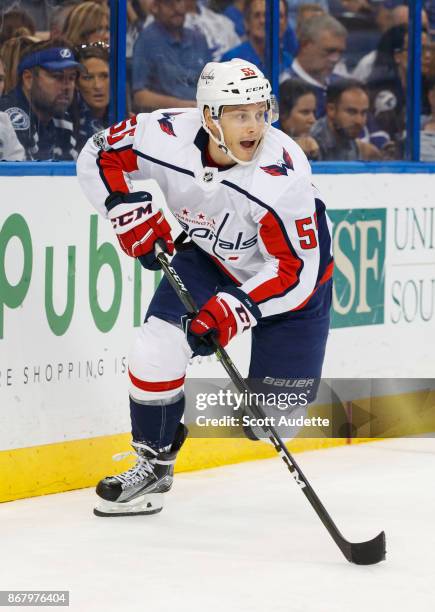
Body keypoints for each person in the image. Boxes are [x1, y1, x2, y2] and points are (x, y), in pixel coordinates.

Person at [77, 58, 333, 517]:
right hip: (210, 259)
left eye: (261, 112)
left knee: (271, 422)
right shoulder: (164, 135)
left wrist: (235, 310)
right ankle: (154, 463)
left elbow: (296, 269)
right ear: (209, 116)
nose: (254, 126)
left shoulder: (282, 174)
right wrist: (121, 206)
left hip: (288, 287)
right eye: (240, 115)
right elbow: (99, 154)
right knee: (155, 347)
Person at [0, 39, 81, 161]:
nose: (67, 86)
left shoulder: (62, 118)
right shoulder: (13, 116)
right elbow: (24, 176)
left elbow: (74, 171)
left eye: (71, 77)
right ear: (28, 79)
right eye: (57, 76)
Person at [132, 0, 212, 112]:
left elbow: (213, 83)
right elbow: (140, 97)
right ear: (155, 7)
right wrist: (181, 105)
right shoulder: (147, 41)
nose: (177, 8)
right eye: (169, 3)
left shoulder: (198, 38)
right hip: (168, 119)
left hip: (204, 113)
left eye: (180, 2)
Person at [280, 14, 348, 118]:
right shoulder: (284, 86)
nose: (335, 59)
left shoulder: (343, 85)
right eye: (330, 51)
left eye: (340, 53)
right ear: (305, 45)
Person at [311, 78, 381, 160]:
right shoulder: (311, 146)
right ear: (331, 110)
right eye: (351, 112)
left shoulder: (352, 141)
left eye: (363, 113)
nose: (359, 121)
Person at [221, 0, 293, 79]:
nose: (263, 20)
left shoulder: (288, 62)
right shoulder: (231, 61)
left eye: (270, 15)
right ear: (246, 23)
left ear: (286, 23)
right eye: (257, 15)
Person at [74, 43, 109, 150]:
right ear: (76, 83)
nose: (97, 86)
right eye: (88, 78)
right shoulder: (67, 127)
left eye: (104, 76)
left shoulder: (128, 121)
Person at [279, 78, 320, 160]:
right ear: (283, 113)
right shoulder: (266, 146)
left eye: (313, 112)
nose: (312, 120)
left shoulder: (318, 139)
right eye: (305, 112)